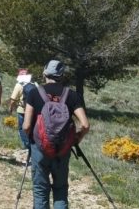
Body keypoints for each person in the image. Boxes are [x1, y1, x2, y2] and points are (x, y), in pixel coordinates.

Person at [23, 60, 90, 209]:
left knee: (40, 190)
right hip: (63, 149)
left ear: (44, 73)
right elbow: (85, 125)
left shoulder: (34, 93)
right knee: (60, 190)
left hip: (40, 148)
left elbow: (26, 125)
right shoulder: (72, 95)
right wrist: (77, 138)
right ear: (62, 75)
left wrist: (32, 139)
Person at [8, 68, 35, 149]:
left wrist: (10, 108)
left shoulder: (19, 85)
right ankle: (33, 144)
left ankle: (27, 145)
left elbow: (13, 99)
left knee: (22, 128)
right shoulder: (35, 84)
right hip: (34, 110)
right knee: (32, 128)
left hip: (22, 110)